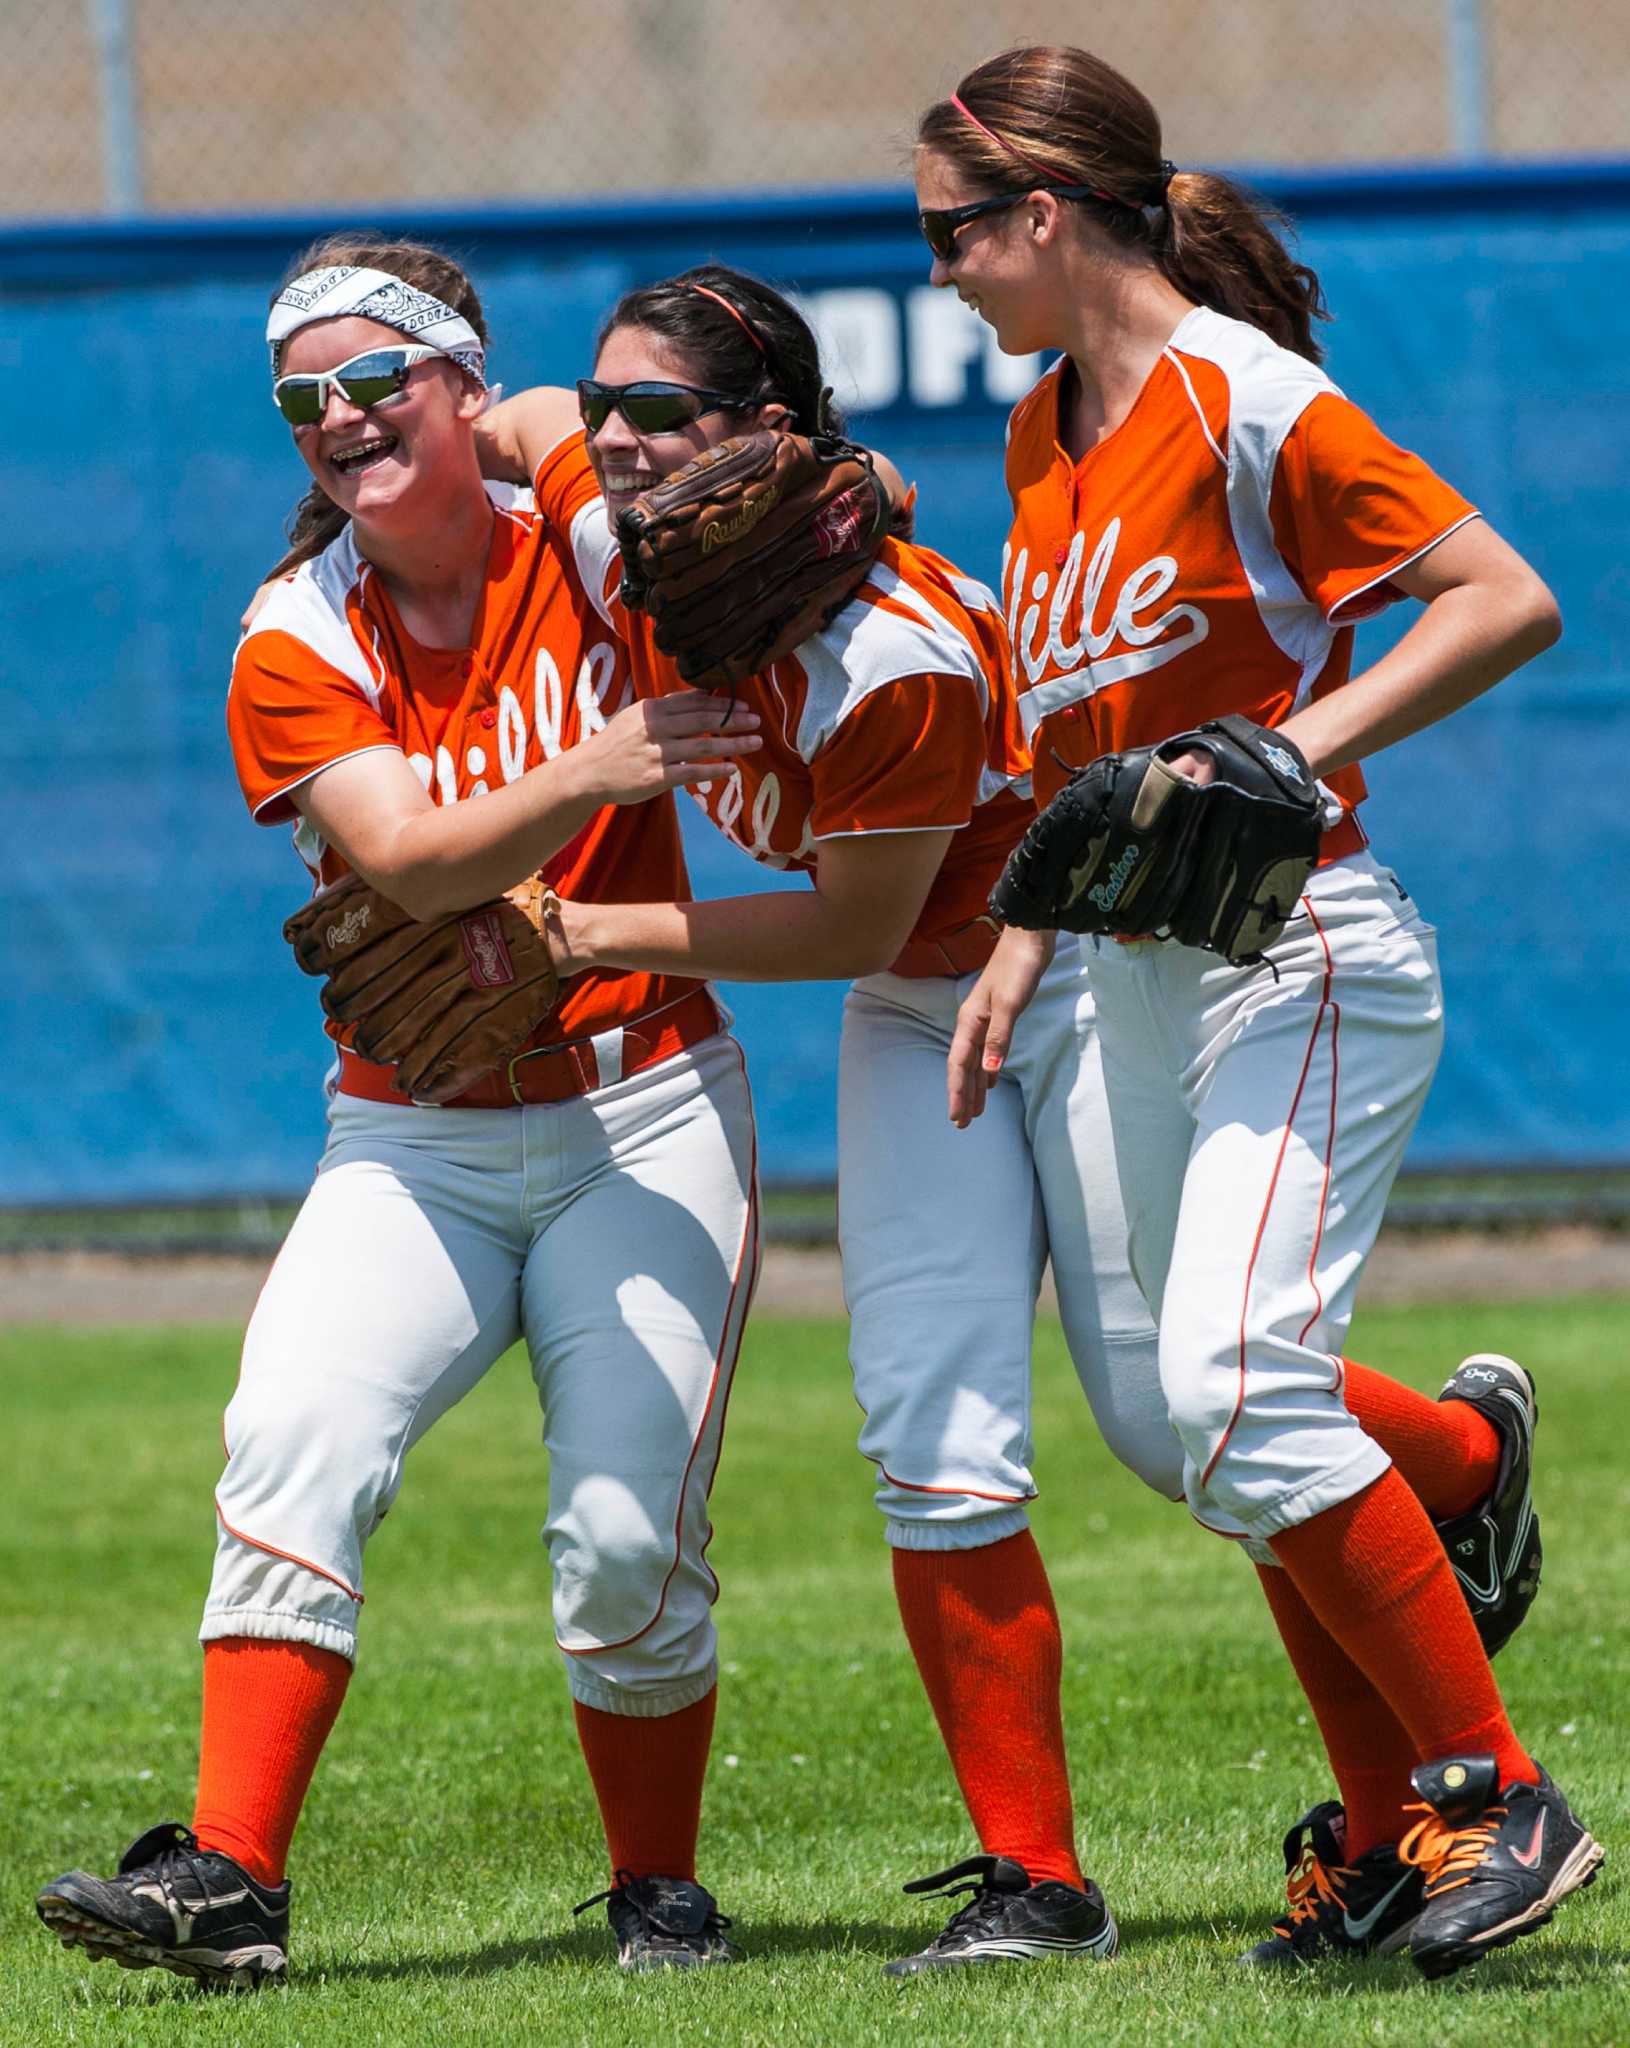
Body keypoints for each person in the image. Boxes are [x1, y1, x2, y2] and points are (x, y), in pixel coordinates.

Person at [477, 262, 1554, 1978]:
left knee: (1183, 1417)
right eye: (610, 410)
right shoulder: (637, 539)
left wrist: (578, 933)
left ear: (767, 434)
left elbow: (848, 921)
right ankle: (1036, 1881)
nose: (613, 439)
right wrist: (435, 415)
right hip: (920, 1014)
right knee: (929, 1427)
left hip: (1059, 979)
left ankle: (1445, 1533)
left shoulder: (885, 649)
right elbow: (527, 419)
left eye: (656, 413)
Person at [921, 45, 1601, 1978]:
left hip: (1297, 950)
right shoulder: (1040, 433)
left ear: (1044, 213)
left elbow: (1502, 598)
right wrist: (1023, 932)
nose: (940, 268)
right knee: (1195, 1426)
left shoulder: (1248, 397)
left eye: (953, 232)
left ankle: (1497, 1798)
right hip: (1130, 968)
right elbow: (1092, 753)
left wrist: (1299, 743)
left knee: (1235, 1388)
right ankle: (1392, 1808)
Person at [35, 235, 766, 1985]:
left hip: (643, 1107)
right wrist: (600, 765)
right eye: (303, 400)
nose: (340, 418)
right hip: (412, 1127)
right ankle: (231, 1880)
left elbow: (623, 466)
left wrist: (543, 427)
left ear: (460, 381)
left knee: (622, 1533)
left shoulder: (577, 542)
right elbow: (417, 864)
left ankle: (658, 1886)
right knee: (292, 1434)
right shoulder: (294, 630)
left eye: (377, 379)